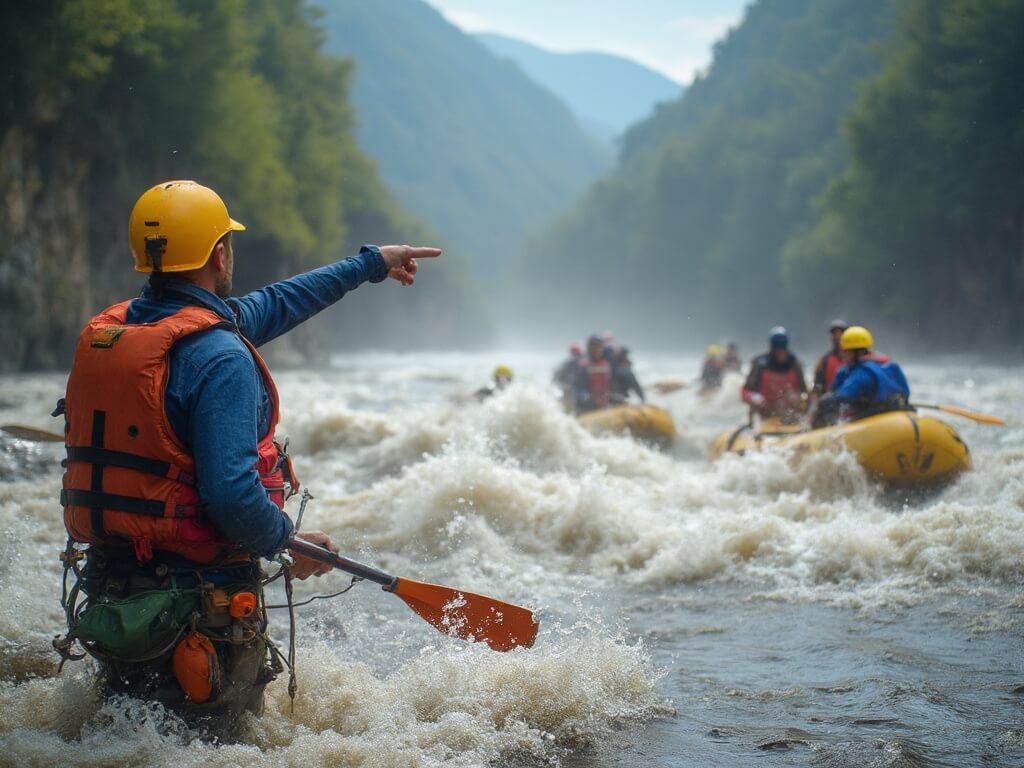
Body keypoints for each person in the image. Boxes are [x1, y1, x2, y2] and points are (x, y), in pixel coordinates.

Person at [53, 180, 440, 729]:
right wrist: (288, 541)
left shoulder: (119, 333)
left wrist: (370, 263)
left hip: (112, 599)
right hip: (196, 611)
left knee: (124, 733)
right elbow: (232, 497)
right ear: (219, 253)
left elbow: (277, 302)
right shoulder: (220, 358)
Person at [811, 326, 910, 428]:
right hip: (897, 413)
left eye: (846, 351)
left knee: (826, 402)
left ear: (854, 352)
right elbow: (906, 392)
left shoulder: (862, 375)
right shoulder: (892, 366)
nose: (843, 354)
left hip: (875, 417)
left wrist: (822, 402)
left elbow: (842, 396)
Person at [741, 326, 807, 423]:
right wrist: (754, 397)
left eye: (782, 346)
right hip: (766, 413)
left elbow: (805, 392)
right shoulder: (760, 364)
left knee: (792, 399)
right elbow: (745, 391)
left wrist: (800, 398)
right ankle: (752, 424)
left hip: (790, 413)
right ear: (772, 347)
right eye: (777, 347)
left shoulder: (795, 364)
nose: (780, 352)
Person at [811, 319, 848, 403]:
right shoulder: (824, 360)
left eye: (840, 333)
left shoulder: (856, 358)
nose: (837, 336)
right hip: (830, 402)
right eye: (834, 333)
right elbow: (817, 386)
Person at [574, 334, 612, 412]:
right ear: (589, 348)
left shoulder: (606, 364)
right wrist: (587, 397)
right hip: (589, 403)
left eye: (598, 347)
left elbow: (610, 383)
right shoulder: (583, 365)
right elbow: (578, 387)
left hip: (604, 401)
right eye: (593, 347)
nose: (596, 349)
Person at [553, 343, 583, 411]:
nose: (575, 356)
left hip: (576, 391)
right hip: (569, 390)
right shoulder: (567, 365)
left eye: (576, 353)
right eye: (574, 353)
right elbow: (557, 378)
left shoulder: (581, 364)